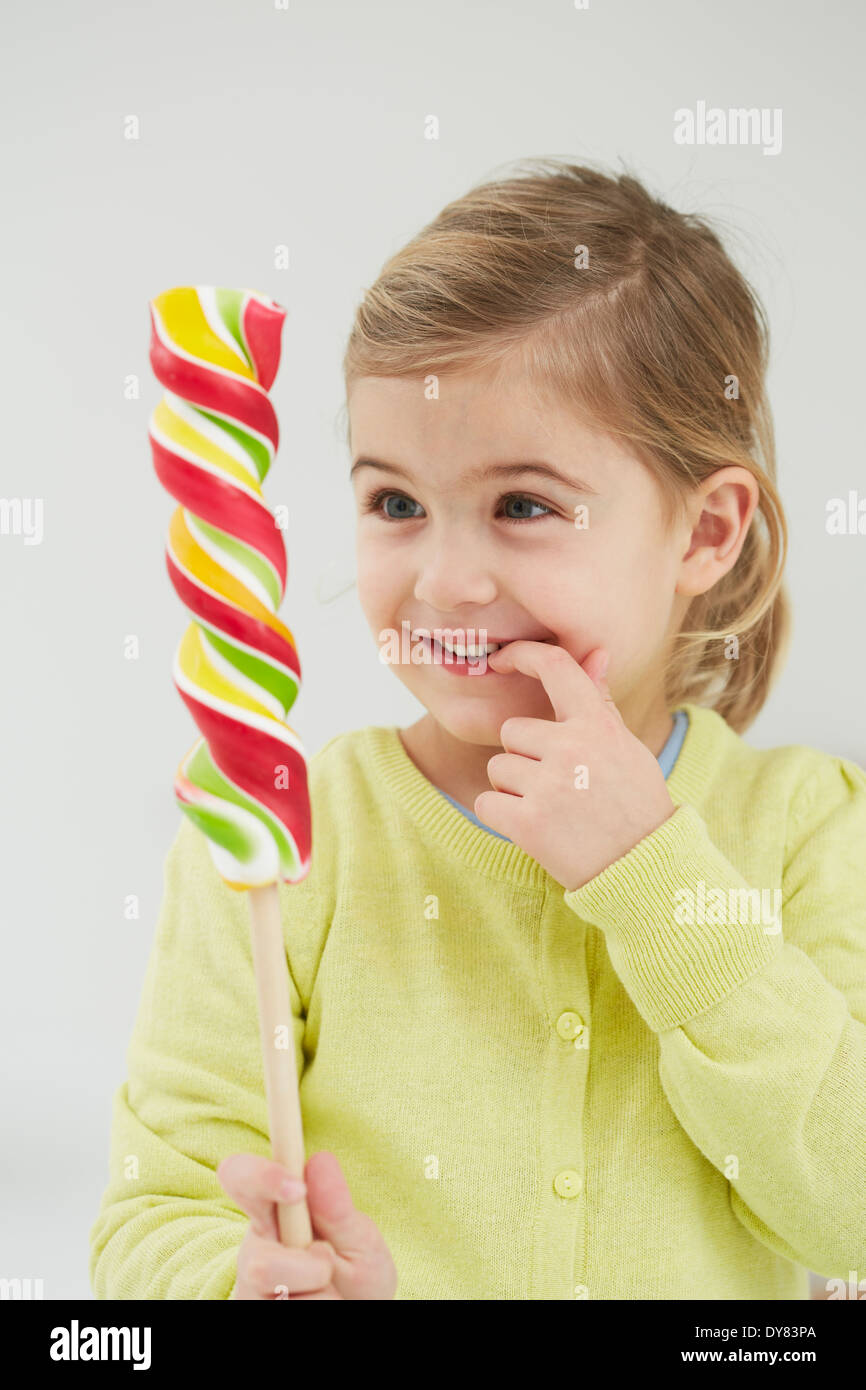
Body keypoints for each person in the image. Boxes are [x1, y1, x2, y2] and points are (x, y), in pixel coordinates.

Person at [90, 159, 866, 1299]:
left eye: (522, 505)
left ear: (704, 532)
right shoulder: (281, 842)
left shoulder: (800, 826)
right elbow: (152, 1211)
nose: (445, 581)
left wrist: (651, 872)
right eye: (394, 502)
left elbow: (841, 1210)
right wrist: (231, 1283)